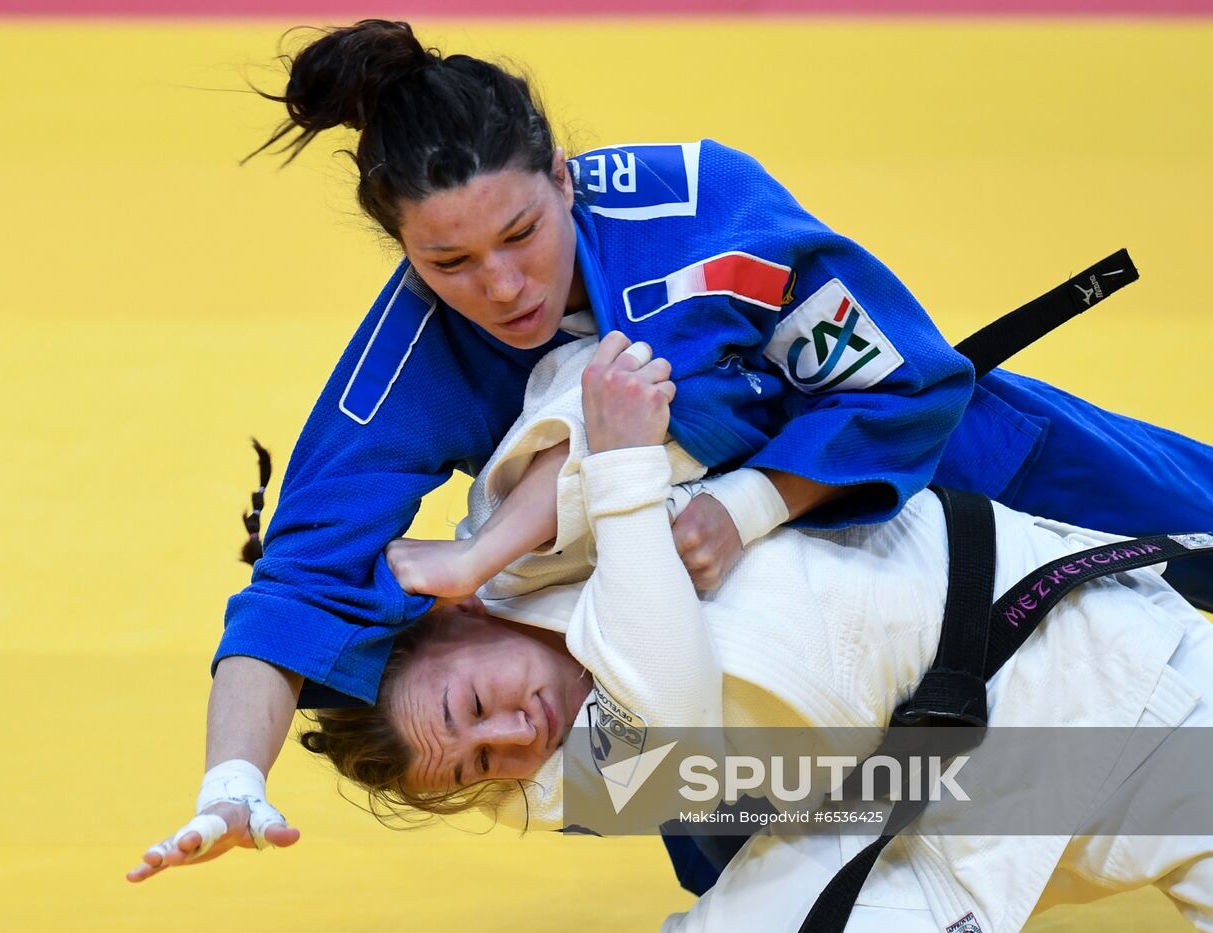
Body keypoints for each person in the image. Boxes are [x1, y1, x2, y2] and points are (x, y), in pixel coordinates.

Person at [126, 19, 1213, 884]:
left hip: (943, 465)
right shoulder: (410, 357)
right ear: (402, 248)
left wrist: (743, 505)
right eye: (447, 260)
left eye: (518, 235)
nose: (497, 287)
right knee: (731, 851)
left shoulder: (699, 212)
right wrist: (232, 774)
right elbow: (297, 583)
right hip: (739, 627)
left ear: (561, 176)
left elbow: (905, 380)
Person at [304, 333, 1213, 932]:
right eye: (474, 765)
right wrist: (630, 475)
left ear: (453, 612)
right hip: (964, 787)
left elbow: (613, 383)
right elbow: (665, 685)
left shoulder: (511, 544)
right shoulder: (570, 783)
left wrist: (502, 536)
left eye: (471, 706)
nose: (512, 736)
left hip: (1072, 627)